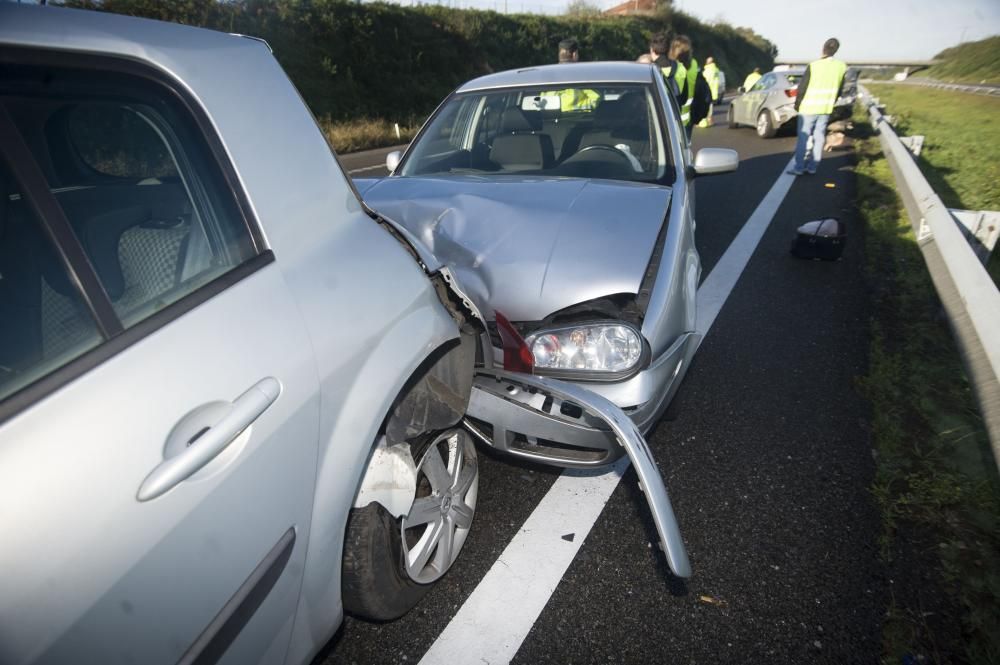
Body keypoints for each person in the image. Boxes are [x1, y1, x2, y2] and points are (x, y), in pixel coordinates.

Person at [788, 37, 847, 176]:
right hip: (825, 108)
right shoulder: (841, 67)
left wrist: (797, 104)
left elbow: (803, 87)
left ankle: (799, 167)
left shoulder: (814, 65)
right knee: (819, 137)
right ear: (836, 50)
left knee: (803, 137)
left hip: (808, 107)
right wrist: (831, 102)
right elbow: (840, 88)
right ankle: (813, 167)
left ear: (823, 49)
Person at [648, 32, 679, 97]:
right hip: (676, 106)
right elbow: (684, 96)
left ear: (652, 49)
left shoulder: (649, 71)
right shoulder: (681, 68)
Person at [698, 56, 720, 127]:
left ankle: (705, 121)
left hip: (707, 91)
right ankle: (709, 120)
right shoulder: (716, 70)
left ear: (708, 63)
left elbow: (704, 81)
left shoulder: (707, 71)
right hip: (714, 91)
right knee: (710, 106)